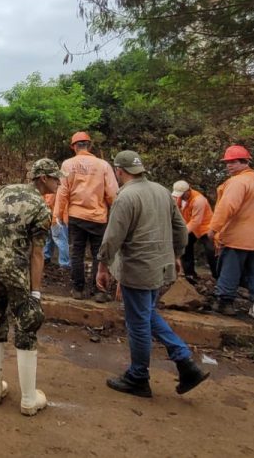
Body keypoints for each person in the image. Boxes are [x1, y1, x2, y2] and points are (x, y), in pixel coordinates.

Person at [97, 150, 210, 399]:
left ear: (119, 171)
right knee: (146, 314)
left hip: (138, 268)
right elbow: (181, 229)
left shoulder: (125, 197)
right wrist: (176, 255)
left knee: (138, 323)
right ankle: (185, 362)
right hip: (159, 266)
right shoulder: (161, 191)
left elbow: (113, 237)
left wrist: (102, 267)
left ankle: (138, 377)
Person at [0, 157, 61, 417]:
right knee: (25, 330)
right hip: (16, 273)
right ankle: (28, 400)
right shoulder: (42, 209)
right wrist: (35, 293)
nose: (59, 182)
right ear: (43, 178)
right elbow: (37, 254)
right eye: (55, 178)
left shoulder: (4, 190)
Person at [205, 145, 254, 315]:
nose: (229, 165)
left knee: (230, 270)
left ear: (245, 162)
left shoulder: (238, 182)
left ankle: (225, 303)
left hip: (237, 237)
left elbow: (227, 206)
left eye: (233, 162)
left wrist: (214, 228)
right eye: (227, 162)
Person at [55, 131, 119, 301]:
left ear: (73, 147)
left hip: (76, 216)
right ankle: (99, 291)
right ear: (89, 146)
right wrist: (117, 215)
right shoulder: (103, 165)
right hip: (99, 217)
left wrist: (57, 215)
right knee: (99, 253)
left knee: (77, 252)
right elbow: (113, 193)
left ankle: (77, 290)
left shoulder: (68, 165)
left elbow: (62, 192)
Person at [172, 180, 217, 281]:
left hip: (205, 227)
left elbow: (196, 221)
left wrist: (181, 232)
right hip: (189, 226)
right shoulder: (176, 198)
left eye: (182, 194)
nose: (181, 196)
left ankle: (217, 276)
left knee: (211, 250)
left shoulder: (199, 200)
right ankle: (190, 275)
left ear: (188, 190)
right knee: (185, 246)